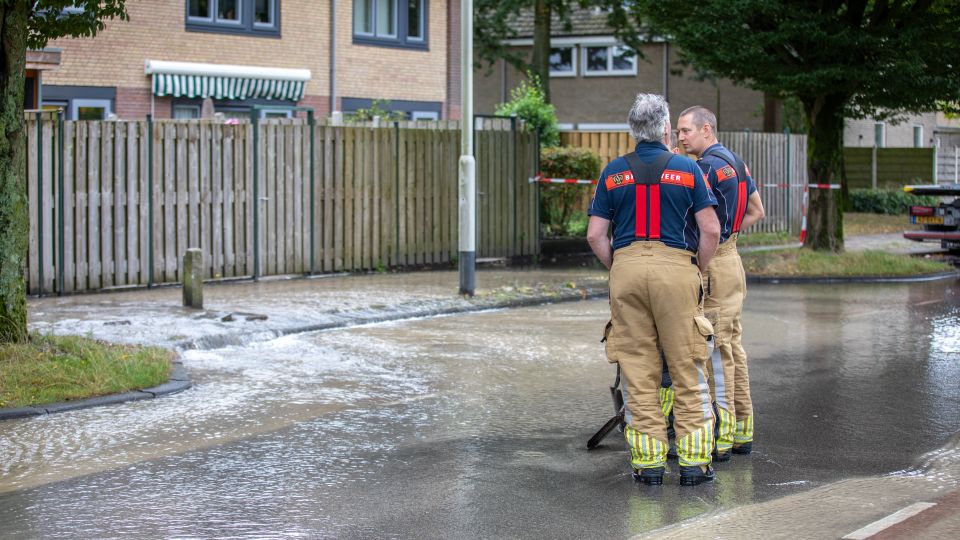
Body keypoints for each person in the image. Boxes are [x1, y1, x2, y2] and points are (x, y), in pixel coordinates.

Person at [587, 93, 720, 486]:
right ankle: (695, 466)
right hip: (676, 268)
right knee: (687, 366)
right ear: (665, 128)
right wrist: (697, 267)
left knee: (639, 373)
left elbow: (596, 235)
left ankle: (648, 468)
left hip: (626, 268)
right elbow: (711, 229)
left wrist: (621, 267)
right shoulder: (687, 169)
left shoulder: (612, 172)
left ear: (632, 129)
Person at [676, 106, 765, 459]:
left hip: (713, 261)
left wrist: (710, 246)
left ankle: (722, 438)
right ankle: (742, 430)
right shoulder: (735, 162)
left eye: (685, 131)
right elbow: (758, 210)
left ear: (706, 130)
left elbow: (692, 219)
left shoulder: (705, 168)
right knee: (732, 348)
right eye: (679, 132)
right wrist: (731, 232)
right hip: (733, 259)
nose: (681, 137)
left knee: (714, 351)